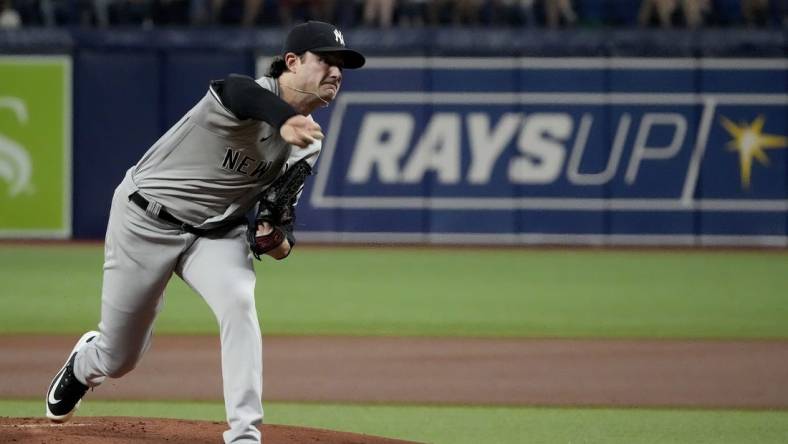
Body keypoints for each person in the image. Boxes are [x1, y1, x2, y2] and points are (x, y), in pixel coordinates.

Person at [44, 20, 364, 444]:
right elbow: (235, 89)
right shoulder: (246, 97)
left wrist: (276, 236)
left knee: (239, 302)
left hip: (214, 233)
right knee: (120, 357)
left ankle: (245, 434)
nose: (337, 72)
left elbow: (278, 216)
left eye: (342, 64)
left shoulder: (308, 141)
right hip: (145, 219)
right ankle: (87, 363)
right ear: (291, 62)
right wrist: (285, 118)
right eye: (326, 59)